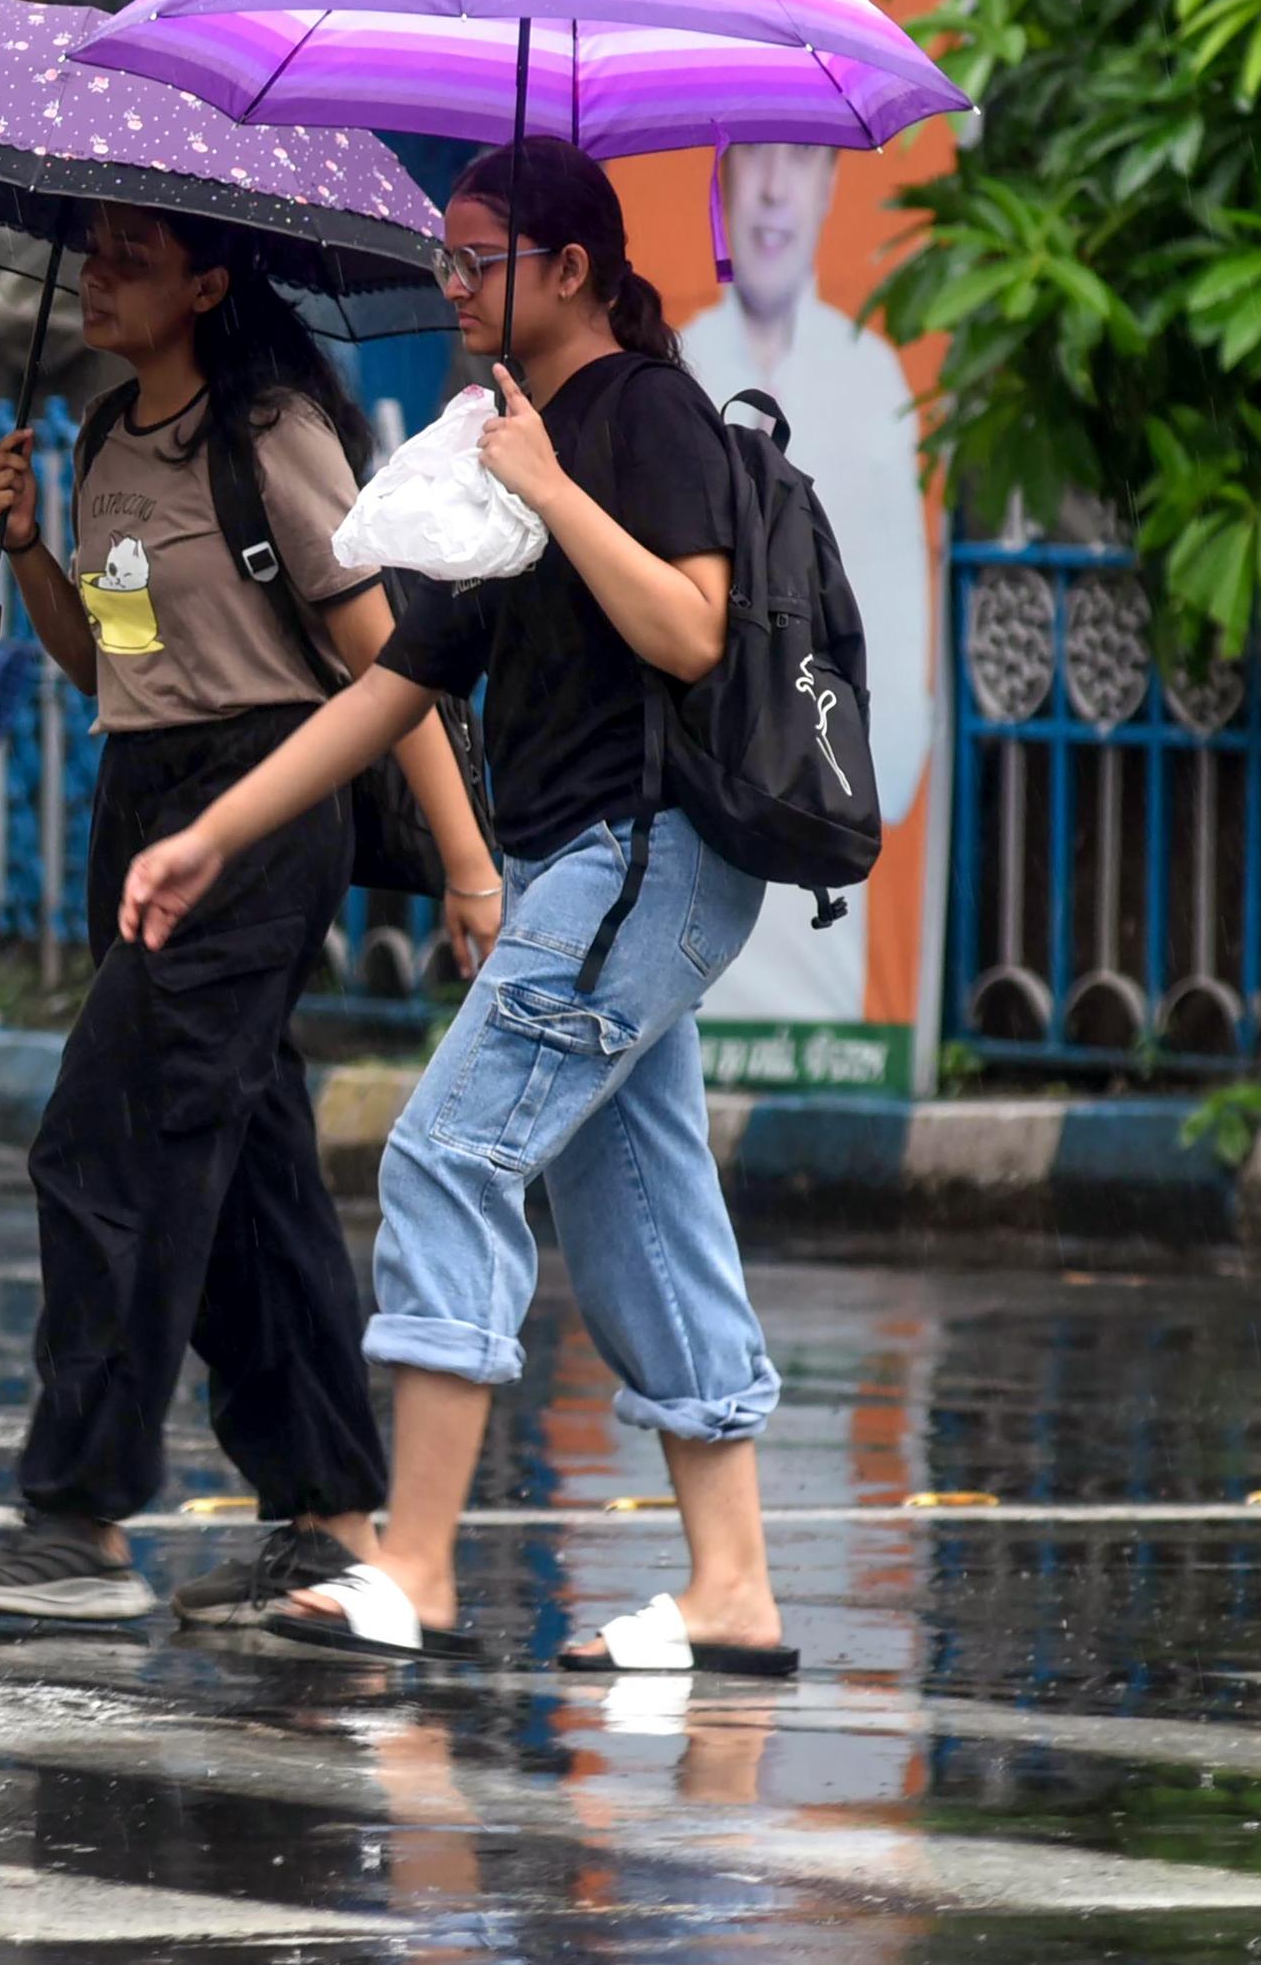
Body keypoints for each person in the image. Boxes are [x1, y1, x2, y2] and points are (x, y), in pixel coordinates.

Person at [122, 137, 794, 1676]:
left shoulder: (642, 417)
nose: (452, 281)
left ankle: (413, 1566)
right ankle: (736, 1588)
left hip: (644, 859)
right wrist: (212, 835)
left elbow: (691, 632)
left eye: (477, 254)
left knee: (447, 1150)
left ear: (570, 270)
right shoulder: (511, 437)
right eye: (447, 252)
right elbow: (399, 682)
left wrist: (553, 484)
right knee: (639, 1214)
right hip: (586, 866)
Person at [0, 206, 496, 1629]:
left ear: (210, 286)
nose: (98, 277)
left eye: (134, 259)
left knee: (106, 1142)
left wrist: (469, 865)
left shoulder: (271, 430)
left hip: (264, 808)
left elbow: (388, 665)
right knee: (247, 1174)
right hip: (148, 789)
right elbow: (111, 659)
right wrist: (34, 546)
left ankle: (79, 1517)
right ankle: (331, 1519)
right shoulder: (106, 438)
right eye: (93, 252)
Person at [677, 141, 930, 1026]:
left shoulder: (874, 380)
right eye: (752, 158)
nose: (774, 188)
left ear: (830, 185)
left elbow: (897, 682)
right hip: (684, 826)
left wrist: (800, 770)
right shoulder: (679, 376)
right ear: (722, 180)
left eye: (801, 159)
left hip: (810, 817)